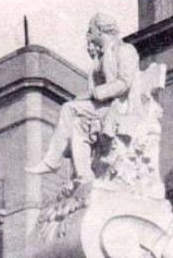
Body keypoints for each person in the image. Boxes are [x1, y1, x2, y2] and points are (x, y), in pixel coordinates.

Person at [26, 13, 142, 184]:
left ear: (101, 30)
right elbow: (94, 87)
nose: (88, 34)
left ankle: (52, 161)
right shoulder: (102, 57)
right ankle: (84, 176)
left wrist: (95, 93)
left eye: (91, 30)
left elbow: (124, 83)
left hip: (119, 106)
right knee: (76, 123)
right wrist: (95, 64)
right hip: (104, 107)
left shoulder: (125, 50)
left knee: (69, 108)